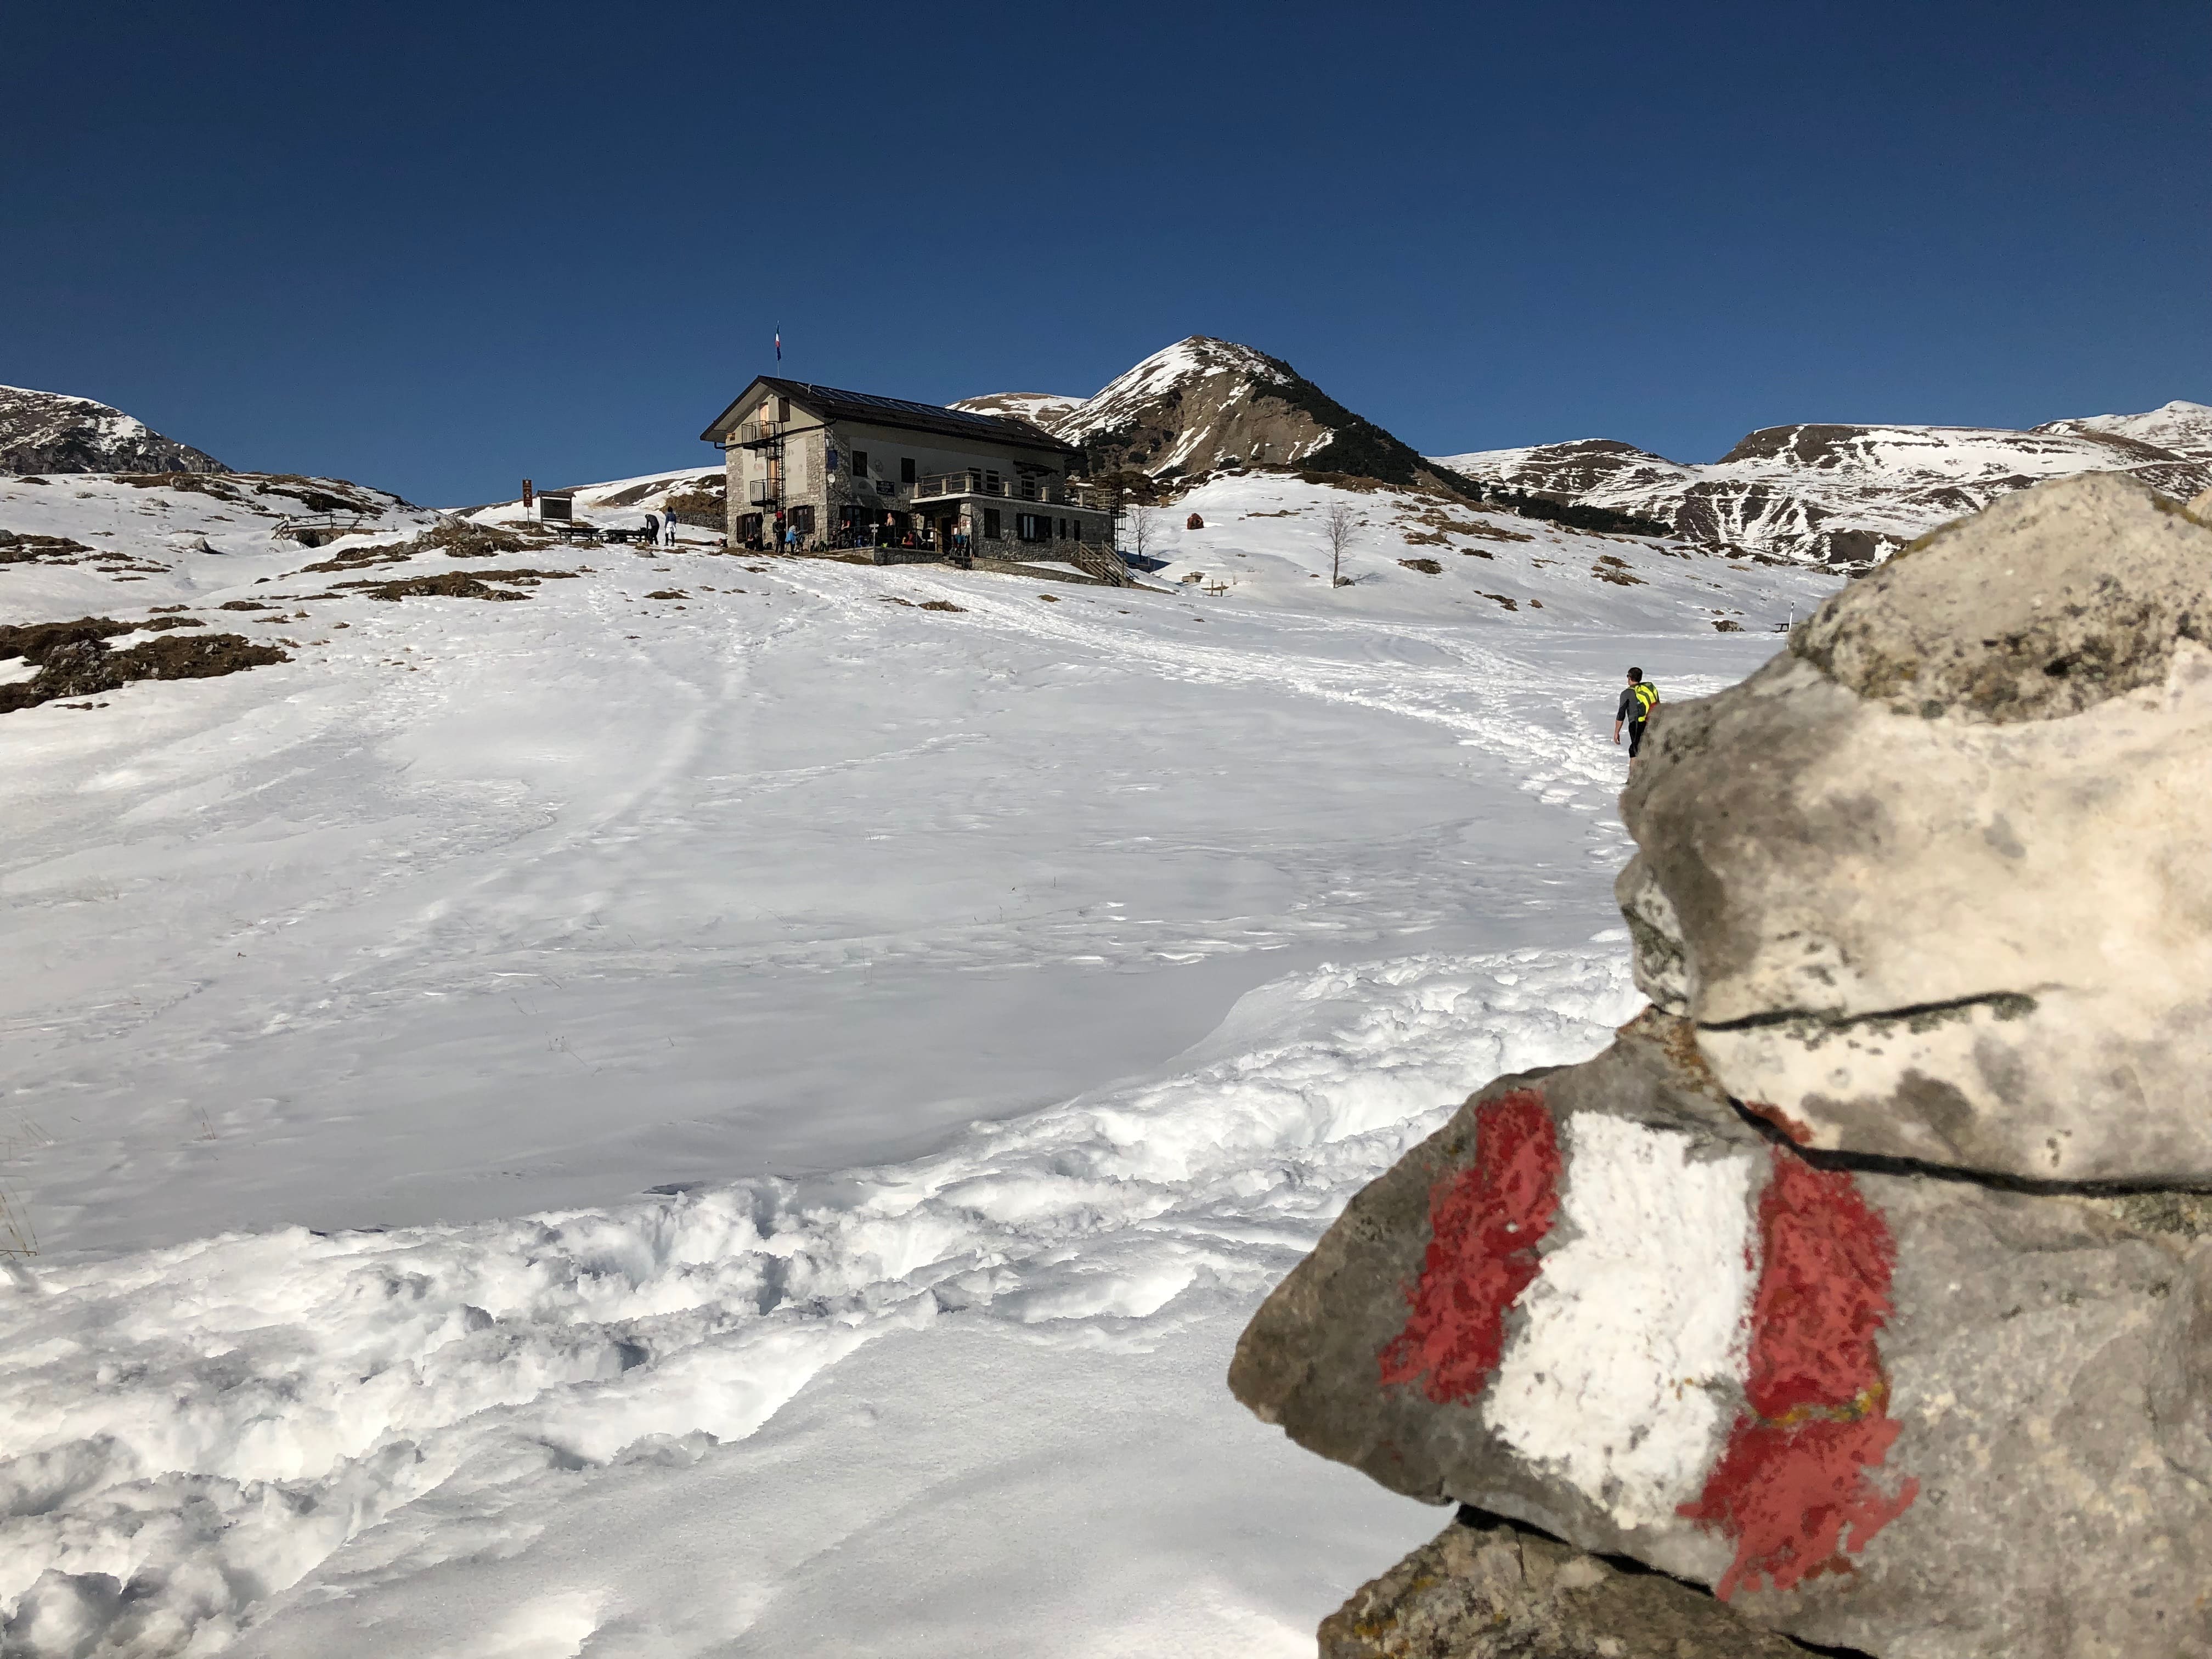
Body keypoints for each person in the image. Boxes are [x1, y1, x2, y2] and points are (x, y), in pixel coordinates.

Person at [1613, 667, 1660, 763]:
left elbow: (1621, 715)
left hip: (1637, 725)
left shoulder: (1627, 693)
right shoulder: (1650, 687)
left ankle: (1635, 777)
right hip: (1654, 722)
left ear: (1630, 677)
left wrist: (1617, 732)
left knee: (1636, 752)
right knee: (1649, 749)